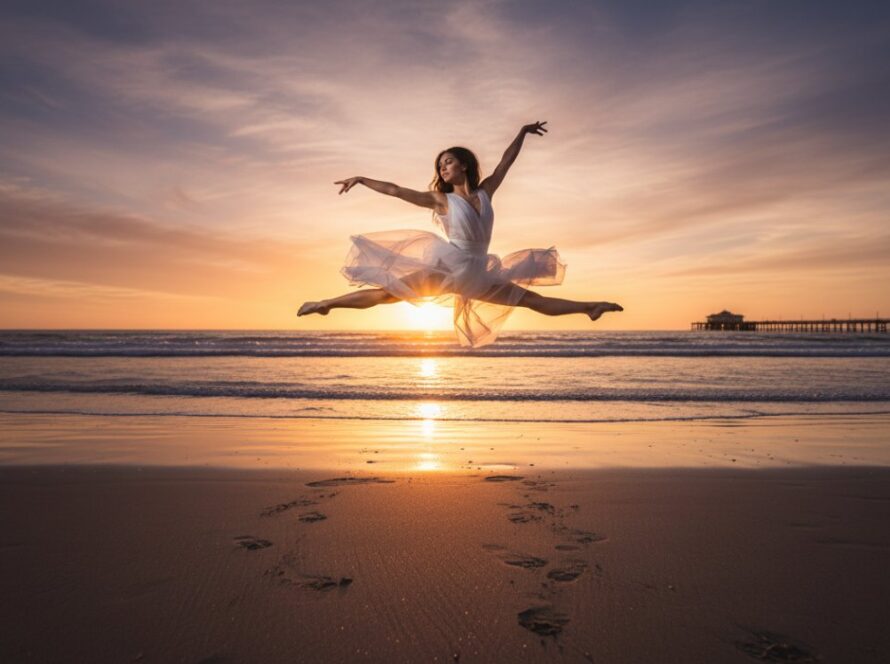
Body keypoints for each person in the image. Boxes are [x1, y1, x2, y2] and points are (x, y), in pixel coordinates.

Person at [297, 121, 623, 347]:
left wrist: (522, 132)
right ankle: (326, 304)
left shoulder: (485, 193)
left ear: (463, 165)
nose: (442, 168)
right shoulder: (442, 200)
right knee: (388, 294)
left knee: (533, 301)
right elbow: (396, 190)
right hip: (450, 266)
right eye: (440, 166)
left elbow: (506, 163)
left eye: (448, 162)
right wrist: (362, 178)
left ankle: (590, 307)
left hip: (479, 272)